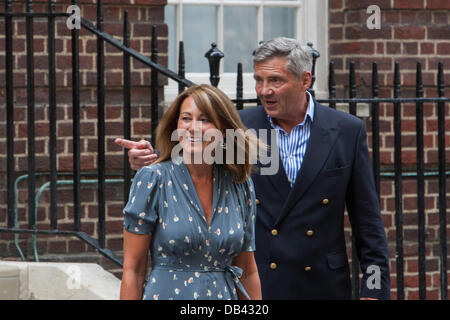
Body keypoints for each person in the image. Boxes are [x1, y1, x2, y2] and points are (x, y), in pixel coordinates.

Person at [116, 37, 390, 300]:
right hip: (261, 283)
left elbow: (367, 220)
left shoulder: (346, 130)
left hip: (321, 285)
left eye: (275, 80)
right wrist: (149, 158)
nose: (264, 90)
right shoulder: (239, 128)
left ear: (305, 80)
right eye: (259, 80)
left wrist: (373, 289)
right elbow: (190, 156)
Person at [119, 84, 263, 300]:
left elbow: (247, 271)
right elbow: (133, 270)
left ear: (223, 130)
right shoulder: (153, 179)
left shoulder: (239, 184)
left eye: (205, 120)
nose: (194, 128)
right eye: (186, 118)